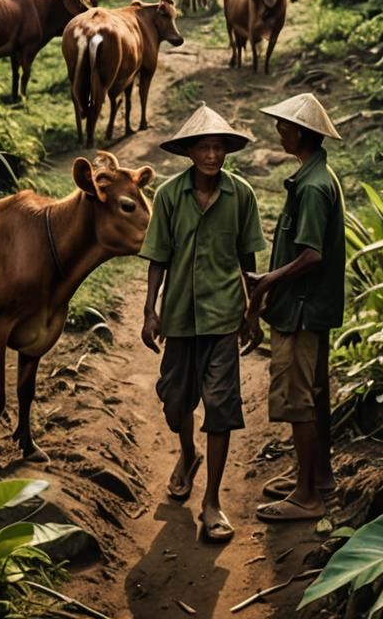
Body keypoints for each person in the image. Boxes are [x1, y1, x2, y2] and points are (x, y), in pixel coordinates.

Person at [140, 103, 265, 542]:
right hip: (178, 318)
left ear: (226, 150)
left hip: (223, 319)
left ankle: (212, 502)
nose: (212, 155)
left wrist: (252, 312)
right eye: (204, 148)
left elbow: (249, 260)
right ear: (189, 151)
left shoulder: (241, 195)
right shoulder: (169, 196)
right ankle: (188, 452)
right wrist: (150, 310)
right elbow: (158, 257)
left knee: (220, 408)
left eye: (218, 148)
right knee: (176, 405)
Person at [245, 92, 345, 523]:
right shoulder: (313, 176)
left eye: (283, 126)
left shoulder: (314, 187)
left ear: (300, 133)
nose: (278, 131)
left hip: (302, 310)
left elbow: (312, 255)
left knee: (297, 397)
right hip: (310, 307)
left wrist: (269, 280)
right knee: (314, 394)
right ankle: (319, 475)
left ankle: (307, 497)